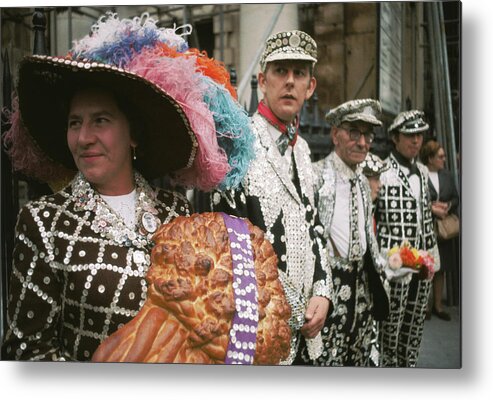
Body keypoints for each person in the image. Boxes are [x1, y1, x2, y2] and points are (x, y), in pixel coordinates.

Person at [1, 13, 252, 361]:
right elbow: (26, 353)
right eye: (75, 123)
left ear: (133, 134)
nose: (84, 138)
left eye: (100, 120)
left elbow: (199, 317)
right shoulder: (43, 223)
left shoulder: (176, 211)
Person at [202, 30, 332, 364]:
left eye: (299, 73)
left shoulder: (303, 149)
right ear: (262, 80)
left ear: (310, 86)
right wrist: (295, 304)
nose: (290, 81)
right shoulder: (238, 143)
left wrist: (322, 291)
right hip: (259, 333)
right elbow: (230, 250)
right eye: (280, 71)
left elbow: (315, 227)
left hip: (307, 338)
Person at [301, 99, 389, 366]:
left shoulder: (364, 182)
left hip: (362, 294)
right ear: (334, 134)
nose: (363, 142)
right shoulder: (315, 176)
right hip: (328, 291)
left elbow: (367, 238)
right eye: (354, 132)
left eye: (368, 135)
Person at [375, 110, 440, 367]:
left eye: (419, 136)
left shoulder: (423, 172)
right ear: (395, 138)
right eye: (409, 135)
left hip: (422, 265)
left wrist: (431, 257)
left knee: (414, 330)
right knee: (390, 331)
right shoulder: (382, 171)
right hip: (395, 266)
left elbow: (426, 215)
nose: (415, 141)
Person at [420, 139, 459, 321]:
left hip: (443, 229)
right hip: (426, 227)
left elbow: (455, 197)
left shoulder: (447, 176)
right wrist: (430, 207)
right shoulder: (420, 174)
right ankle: (424, 306)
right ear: (430, 158)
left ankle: (438, 305)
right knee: (426, 265)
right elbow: (415, 199)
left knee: (440, 268)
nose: (444, 159)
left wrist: (448, 205)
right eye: (440, 156)